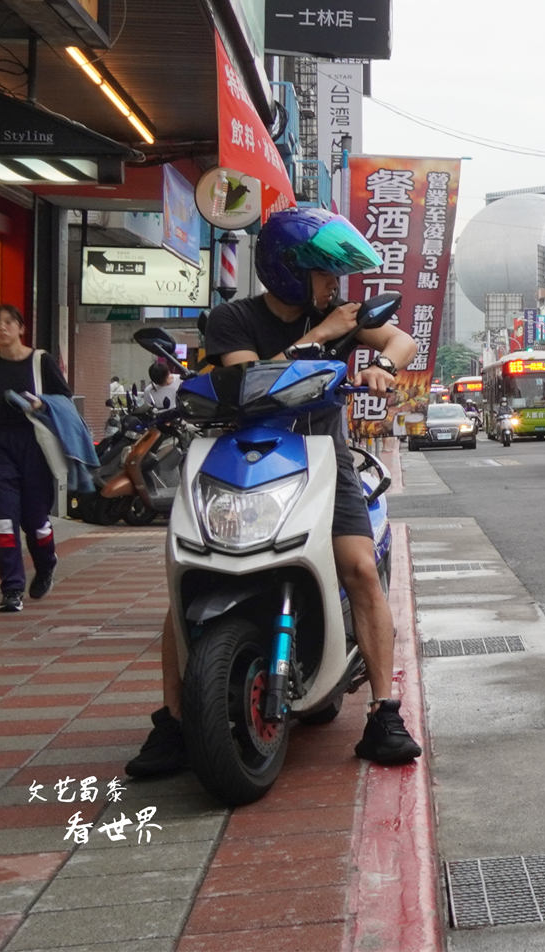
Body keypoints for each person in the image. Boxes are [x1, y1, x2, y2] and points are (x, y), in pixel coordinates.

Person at [126, 207, 423, 774]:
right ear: (289, 271)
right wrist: (322, 337)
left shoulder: (340, 312)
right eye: (324, 273)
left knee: (359, 567)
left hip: (321, 454)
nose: (334, 287)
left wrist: (382, 364)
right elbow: (248, 388)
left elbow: (400, 339)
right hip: (242, 456)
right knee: (189, 578)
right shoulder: (232, 320)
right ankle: (172, 720)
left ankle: (385, 711)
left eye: (335, 277)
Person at [0, 305, 68, 612]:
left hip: (35, 443)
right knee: (2, 519)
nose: (2, 328)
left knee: (35, 519)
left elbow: (64, 400)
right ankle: (12, 588)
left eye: (9, 322)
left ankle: (46, 562)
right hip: (0, 445)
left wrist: (41, 404)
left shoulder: (41, 361)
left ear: (21, 328)